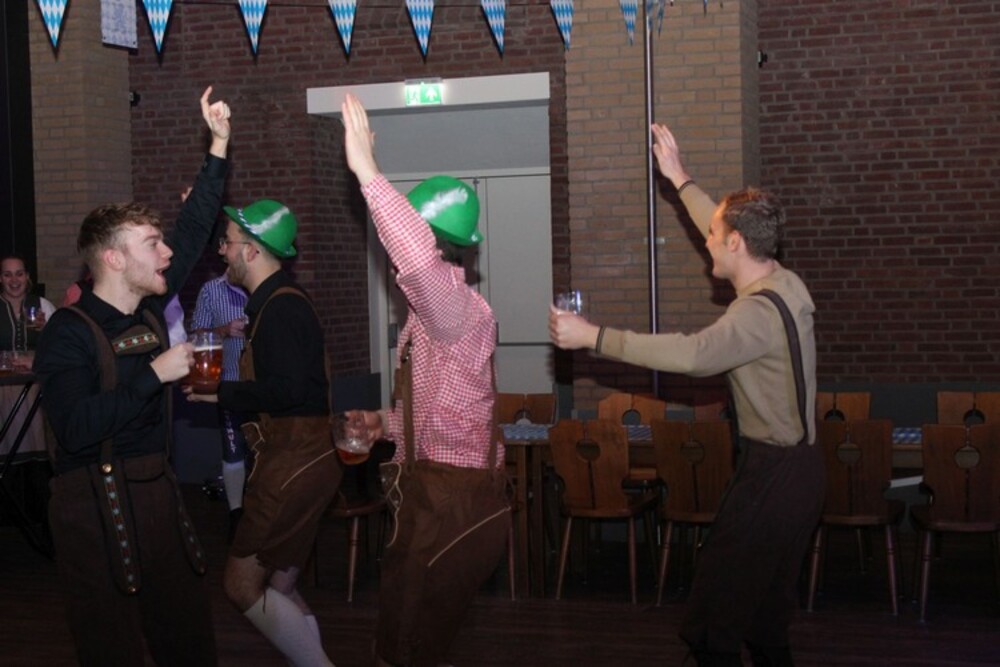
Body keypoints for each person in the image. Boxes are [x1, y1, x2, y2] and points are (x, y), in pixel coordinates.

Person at [549, 123, 825, 666]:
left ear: (737, 243)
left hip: (774, 474)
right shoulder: (784, 281)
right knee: (765, 617)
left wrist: (593, 337)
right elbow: (718, 224)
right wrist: (679, 179)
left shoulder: (754, 315)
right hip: (799, 472)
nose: (706, 241)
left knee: (714, 619)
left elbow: (694, 355)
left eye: (715, 235)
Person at [32, 86, 231, 667]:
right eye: (152, 244)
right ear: (114, 258)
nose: (168, 253)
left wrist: (218, 146)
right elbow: (74, 428)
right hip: (92, 507)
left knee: (187, 639)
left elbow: (193, 228)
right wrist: (154, 374)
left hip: (155, 495)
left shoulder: (147, 309)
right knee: (110, 646)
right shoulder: (68, 331)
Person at [341, 93, 511, 667]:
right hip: (434, 487)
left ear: (430, 240)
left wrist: (367, 171)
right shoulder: (436, 318)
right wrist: (384, 422)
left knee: (410, 640)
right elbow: (446, 413)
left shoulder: (455, 308)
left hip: (451, 496)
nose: (394, 255)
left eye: (411, 233)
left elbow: (416, 263)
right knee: (406, 633)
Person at [186, 198, 342, 666]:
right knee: (281, 585)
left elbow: (287, 391)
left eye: (228, 242)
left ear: (252, 251)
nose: (222, 251)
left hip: (294, 462)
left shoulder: (282, 308)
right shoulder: (276, 302)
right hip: (311, 459)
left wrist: (222, 393)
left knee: (240, 584)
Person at [191, 268, 249, 540]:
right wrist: (224, 330)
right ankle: (236, 515)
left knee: (267, 452)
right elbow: (197, 336)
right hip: (230, 383)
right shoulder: (211, 290)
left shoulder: (264, 284)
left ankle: (264, 515)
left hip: (264, 385)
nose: (225, 250)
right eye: (224, 247)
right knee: (233, 448)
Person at [1, 255, 56, 355]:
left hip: (37, 365)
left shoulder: (44, 305)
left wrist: (46, 331)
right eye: (7, 275)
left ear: (27, 276)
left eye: (19, 274)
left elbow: (61, 346)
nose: (14, 280)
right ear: (0, 278)